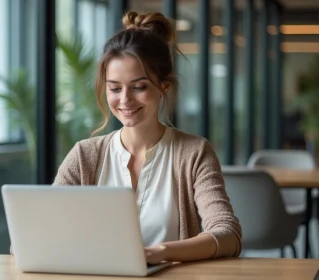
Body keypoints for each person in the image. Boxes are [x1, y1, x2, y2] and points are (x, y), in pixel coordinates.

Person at [55, 11, 242, 264]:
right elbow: (40, 235)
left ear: (164, 86)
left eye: (139, 87)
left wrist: (161, 252)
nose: (125, 100)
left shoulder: (195, 153)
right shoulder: (83, 156)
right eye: (115, 88)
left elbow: (227, 234)